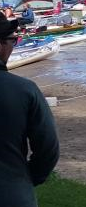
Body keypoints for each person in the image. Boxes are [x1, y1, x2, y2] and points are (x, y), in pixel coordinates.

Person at [0, 17, 59, 207]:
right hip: (13, 195)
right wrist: (26, 179)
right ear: (0, 45)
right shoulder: (24, 91)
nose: (13, 46)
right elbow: (48, 149)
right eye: (13, 40)